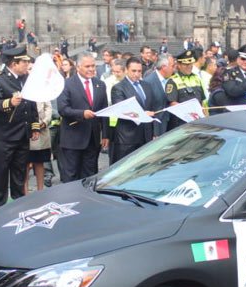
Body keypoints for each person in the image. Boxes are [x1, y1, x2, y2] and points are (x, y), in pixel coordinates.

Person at [0, 47, 40, 206]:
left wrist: (34, 126)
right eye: (25, 62)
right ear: (14, 63)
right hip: (4, 136)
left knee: (20, 173)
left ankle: (19, 205)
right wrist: (9, 103)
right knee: (1, 173)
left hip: (22, 135)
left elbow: (31, 104)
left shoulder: (25, 79)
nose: (27, 64)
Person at [58, 53, 109, 182]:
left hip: (92, 139)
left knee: (90, 176)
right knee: (71, 175)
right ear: (78, 67)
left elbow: (104, 111)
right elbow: (63, 109)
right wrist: (82, 114)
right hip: (73, 138)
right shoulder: (67, 84)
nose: (91, 69)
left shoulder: (100, 85)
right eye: (87, 66)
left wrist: (105, 135)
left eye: (93, 66)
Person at [110, 58, 155, 163]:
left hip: (145, 136)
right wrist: (142, 114)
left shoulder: (147, 86)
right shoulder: (118, 88)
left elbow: (151, 107)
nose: (137, 74)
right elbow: (122, 110)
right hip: (127, 137)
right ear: (126, 70)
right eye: (133, 71)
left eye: (139, 71)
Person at [165, 49, 206, 130]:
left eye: (190, 64)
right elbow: (172, 103)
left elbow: (202, 101)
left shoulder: (197, 78)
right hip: (182, 123)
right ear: (179, 65)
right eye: (186, 64)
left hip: (198, 121)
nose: (189, 66)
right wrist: (188, 112)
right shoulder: (172, 81)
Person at [26, 99, 53, 194]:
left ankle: (40, 191)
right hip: (25, 129)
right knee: (25, 163)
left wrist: (45, 121)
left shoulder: (42, 90)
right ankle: (25, 192)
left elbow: (48, 108)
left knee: (39, 161)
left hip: (41, 129)